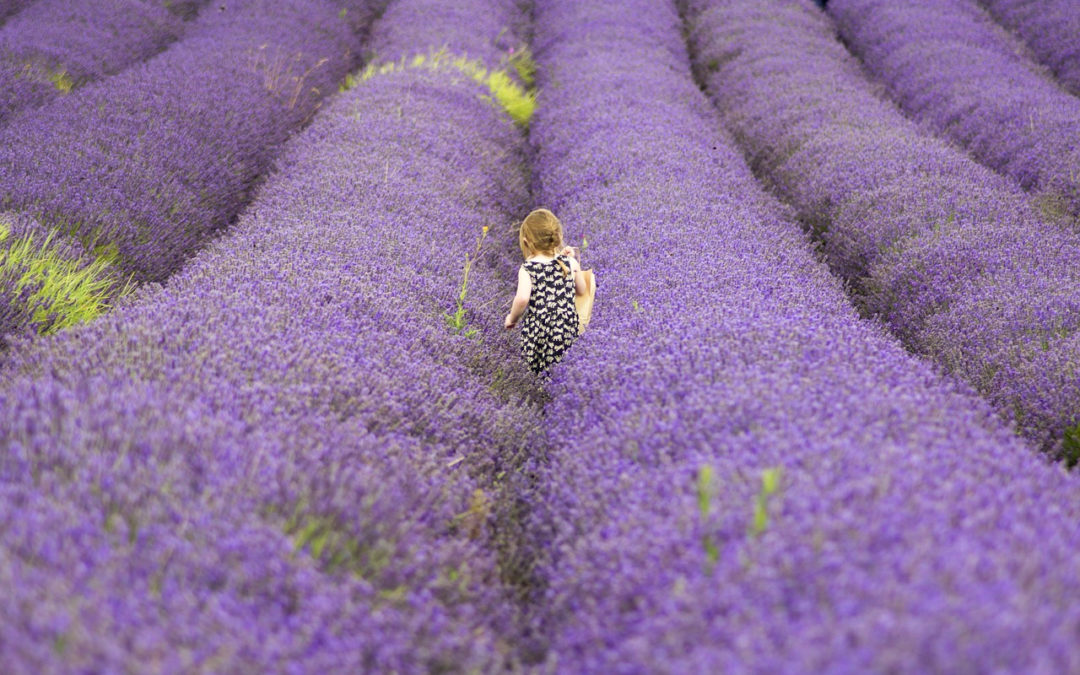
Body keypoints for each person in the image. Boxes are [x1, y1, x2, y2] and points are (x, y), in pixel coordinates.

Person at [504, 208, 588, 375]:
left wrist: (512, 318)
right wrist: (576, 262)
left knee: (537, 372)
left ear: (526, 241)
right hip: (567, 327)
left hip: (539, 329)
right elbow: (582, 289)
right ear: (559, 237)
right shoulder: (569, 263)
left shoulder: (528, 268)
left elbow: (522, 299)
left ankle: (540, 390)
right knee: (564, 368)